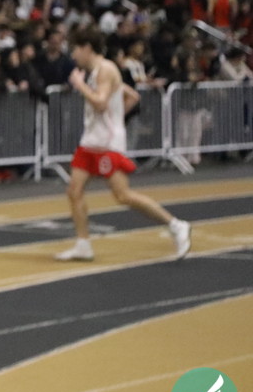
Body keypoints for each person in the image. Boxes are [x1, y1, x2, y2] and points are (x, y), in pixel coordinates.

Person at [56, 27, 191, 262]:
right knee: (74, 191)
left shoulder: (105, 70)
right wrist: (117, 116)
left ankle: (176, 225)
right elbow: (132, 96)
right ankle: (83, 244)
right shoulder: (96, 71)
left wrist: (80, 85)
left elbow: (100, 103)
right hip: (91, 141)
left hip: (107, 143)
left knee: (123, 195)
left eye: (75, 49)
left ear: (87, 48)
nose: (73, 55)